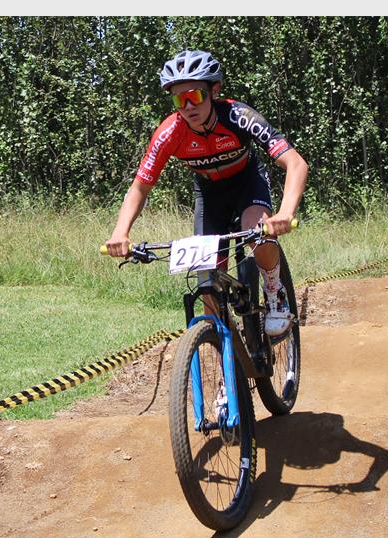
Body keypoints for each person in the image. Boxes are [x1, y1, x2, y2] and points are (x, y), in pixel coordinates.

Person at [104, 49, 308, 337]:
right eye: (179, 99)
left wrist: (285, 213)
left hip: (247, 184)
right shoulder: (169, 133)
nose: (188, 106)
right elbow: (140, 187)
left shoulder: (238, 116)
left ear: (214, 91)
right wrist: (120, 232)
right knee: (207, 283)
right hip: (210, 196)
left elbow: (296, 163)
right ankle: (224, 356)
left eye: (195, 96)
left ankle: (275, 290)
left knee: (257, 232)